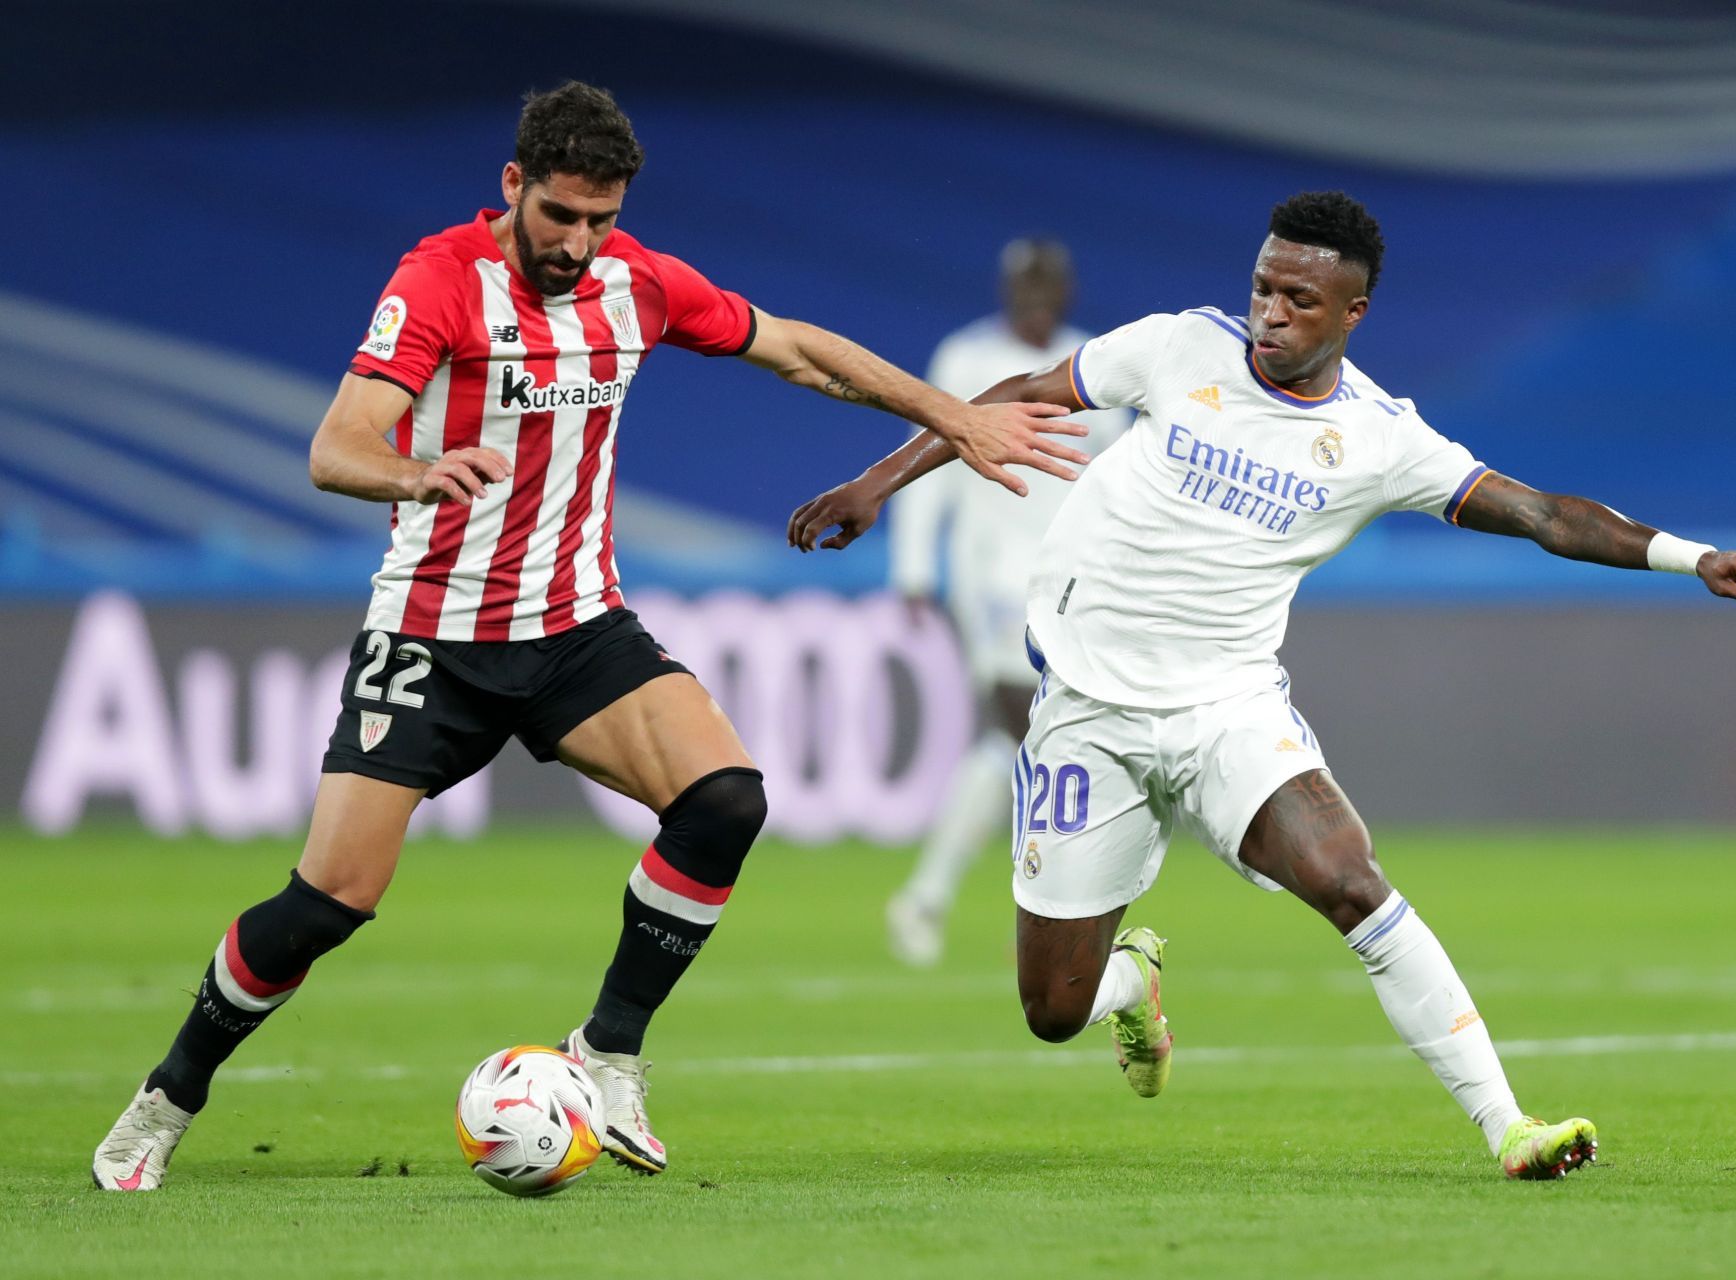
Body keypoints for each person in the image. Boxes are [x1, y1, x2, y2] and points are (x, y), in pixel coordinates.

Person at [90, 81, 1087, 1192]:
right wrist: (417, 470)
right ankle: (168, 1095)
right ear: (513, 186)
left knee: (725, 800)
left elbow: (797, 347)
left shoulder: (639, 282)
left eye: (599, 219)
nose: (577, 242)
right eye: (559, 215)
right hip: (434, 637)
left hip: (575, 629)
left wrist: (953, 416)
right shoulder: (439, 281)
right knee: (329, 903)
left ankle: (607, 1049)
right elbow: (336, 444)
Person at [788, 190, 1736, 1179]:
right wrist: (878, 481)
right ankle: (1130, 978)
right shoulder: (1180, 347)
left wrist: (1686, 554)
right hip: (1086, 712)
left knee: (1352, 880)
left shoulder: (1379, 437)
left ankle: (1508, 1122)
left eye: (1299, 300)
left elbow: (1541, 512)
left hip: (1227, 707)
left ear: (1354, 312)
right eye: (1264, 287)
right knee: (1053, 1009)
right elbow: (1019, 395)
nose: (1270, 312)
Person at [886, 239, 1129, 966]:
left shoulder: (1094, 362)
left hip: (1075, 587)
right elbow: (923, 463)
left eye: (1049, 286)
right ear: (1006, 290)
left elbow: (1113, 482)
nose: (1037, 300)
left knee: (1028, 746)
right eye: (1026, 287)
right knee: (1017, 730)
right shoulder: (964, 360)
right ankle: (947, 899)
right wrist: (912, 570)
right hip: (993, 582)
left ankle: (948, 898)